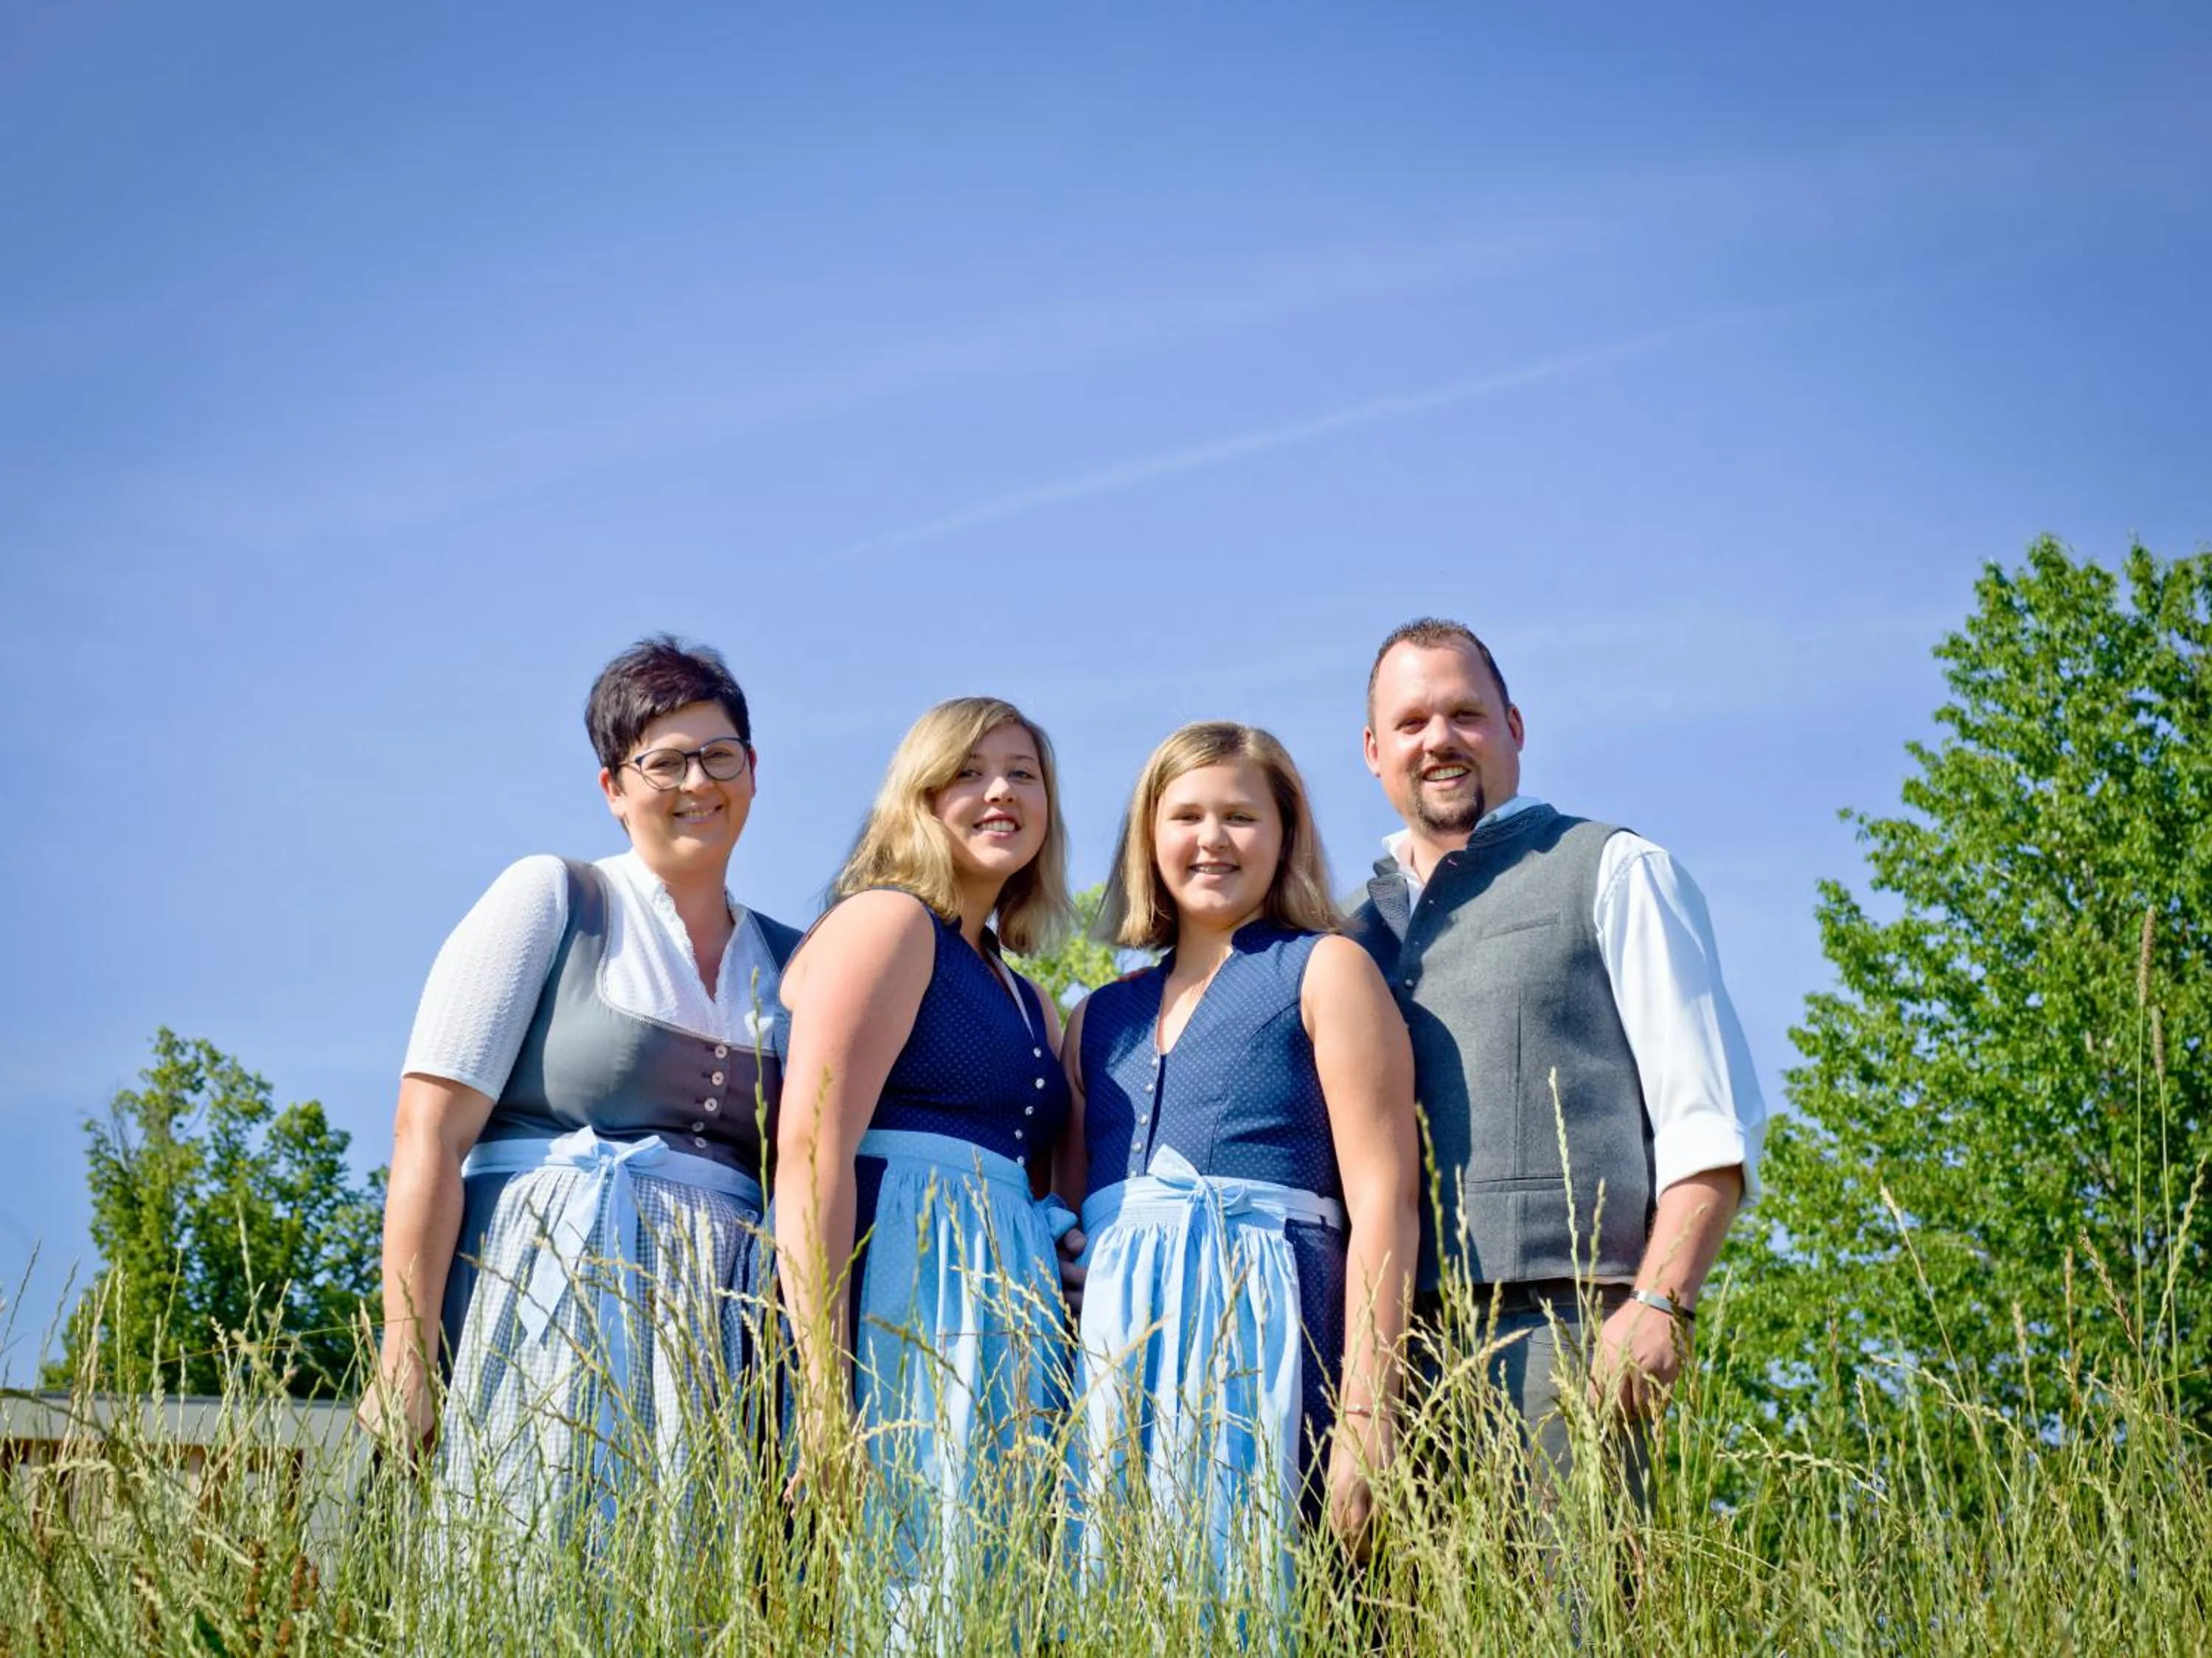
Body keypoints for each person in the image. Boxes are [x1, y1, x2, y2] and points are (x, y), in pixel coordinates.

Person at [360, 635, 801, 1532]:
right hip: (540, 1303)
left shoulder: (795, 959)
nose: (696, 783)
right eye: (663, 761)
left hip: (717, 1334)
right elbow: (428, 1133)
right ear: (612, 787)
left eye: (719, 756)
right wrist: (403, 1357)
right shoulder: (554, 898)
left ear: (752, 769)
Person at [1344, 617, 1765, 1505]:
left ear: (1516, 728)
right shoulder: (1343, 933)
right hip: (1375, 1368)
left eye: (1466, 713)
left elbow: (1709, 1122)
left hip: (1563, 1338)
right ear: (1374, 751)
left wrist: (1660, 1303)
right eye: (1413, 723)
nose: (1441, 740)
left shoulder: (1611, 868)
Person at [1060, 721, 1418, 1608]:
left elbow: (1385, 1200)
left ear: (1285, 834)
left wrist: (1369, 1418)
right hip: (1116, 1362)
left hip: (1270, 1332)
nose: (1212, 839)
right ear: (1150, 836)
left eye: (1240, 816)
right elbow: (1067, 1206)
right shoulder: (1096, 1017)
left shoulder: (1326, 969)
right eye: (1186, 815)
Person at [773, 696, 1077, 1638]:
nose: (999, 793)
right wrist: (826, 1399)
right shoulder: (890, 925)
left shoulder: (1036, 1002)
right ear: (919, 796)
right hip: (894, 1319)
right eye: (968, 772)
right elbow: (810, 1151)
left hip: (994, 1342)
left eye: (1023, 773)